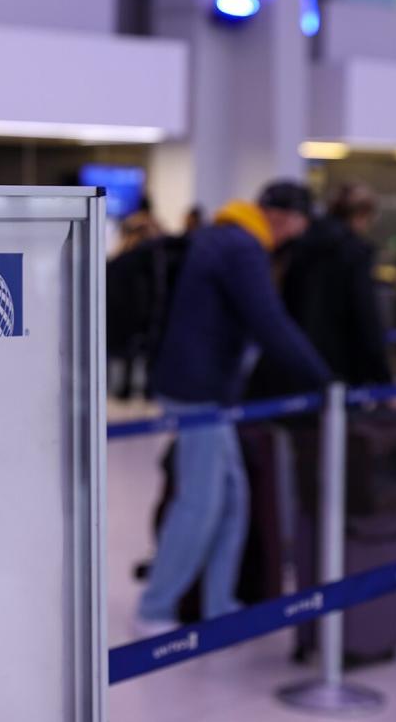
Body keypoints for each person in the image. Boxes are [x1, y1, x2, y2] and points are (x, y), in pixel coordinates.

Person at [135, 181, 331, 636]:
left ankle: (219, 605)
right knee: (200, 503)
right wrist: (324, 377)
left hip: (204, 388)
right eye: (296, 229)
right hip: (197, 390)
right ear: (282, 217)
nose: (292, 240)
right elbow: (268, 321)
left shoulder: (223, 235)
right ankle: (155, 608)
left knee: (231, 500)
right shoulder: (242, 246)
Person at [248, 183, 392, 397]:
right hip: (337, 366)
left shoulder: (295, 246)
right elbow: (364, 317)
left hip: (288, 362)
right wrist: (383, 379)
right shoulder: (353, 252)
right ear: (363, 215)